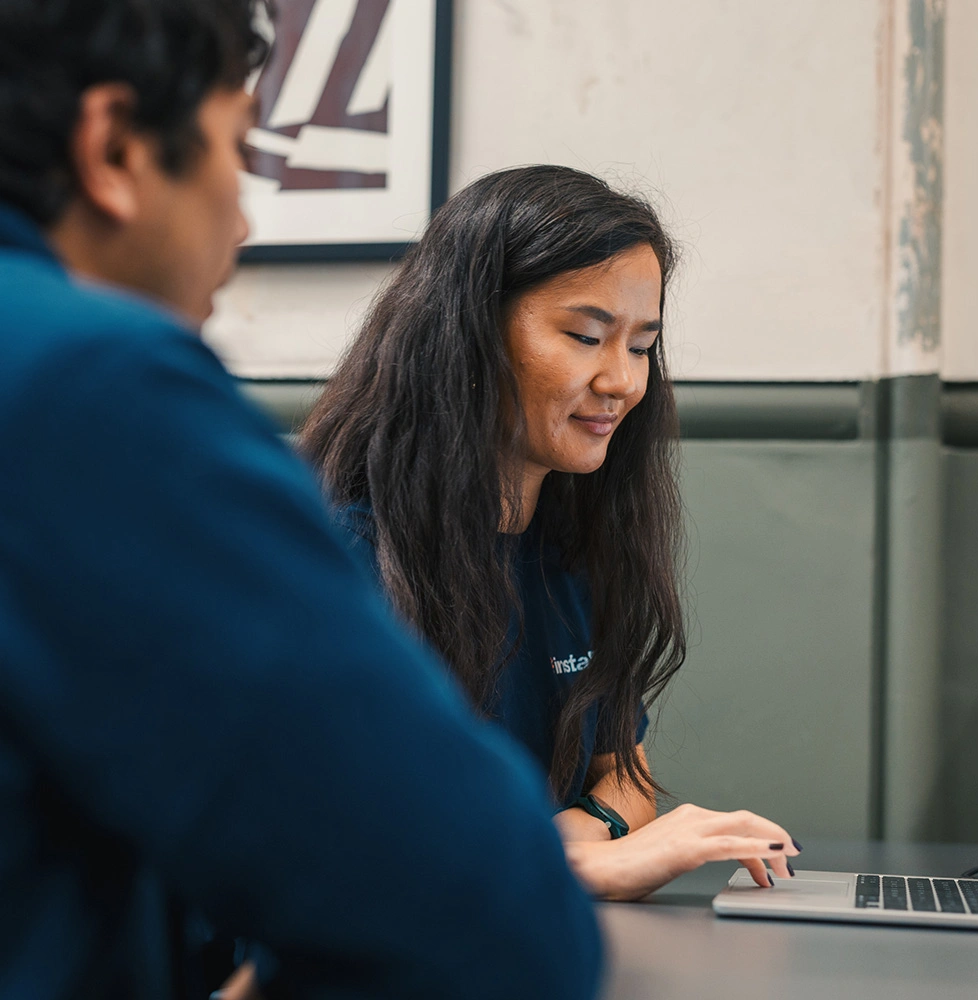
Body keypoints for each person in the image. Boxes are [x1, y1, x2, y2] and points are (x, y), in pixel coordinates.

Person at [0, 3, 605, 998]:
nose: (242, 219)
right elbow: (488, 908)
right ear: (113, 147)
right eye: (238, 152)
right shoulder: (92, 383)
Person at [301, 165, 802, 901]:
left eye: (639, 347)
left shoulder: (577, 546)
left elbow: (624, 773)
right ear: (469, 334)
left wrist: (577, 834)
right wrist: (569, 864)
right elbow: (339, 843)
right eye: (587, 336)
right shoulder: (344, 557)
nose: (622, 382)